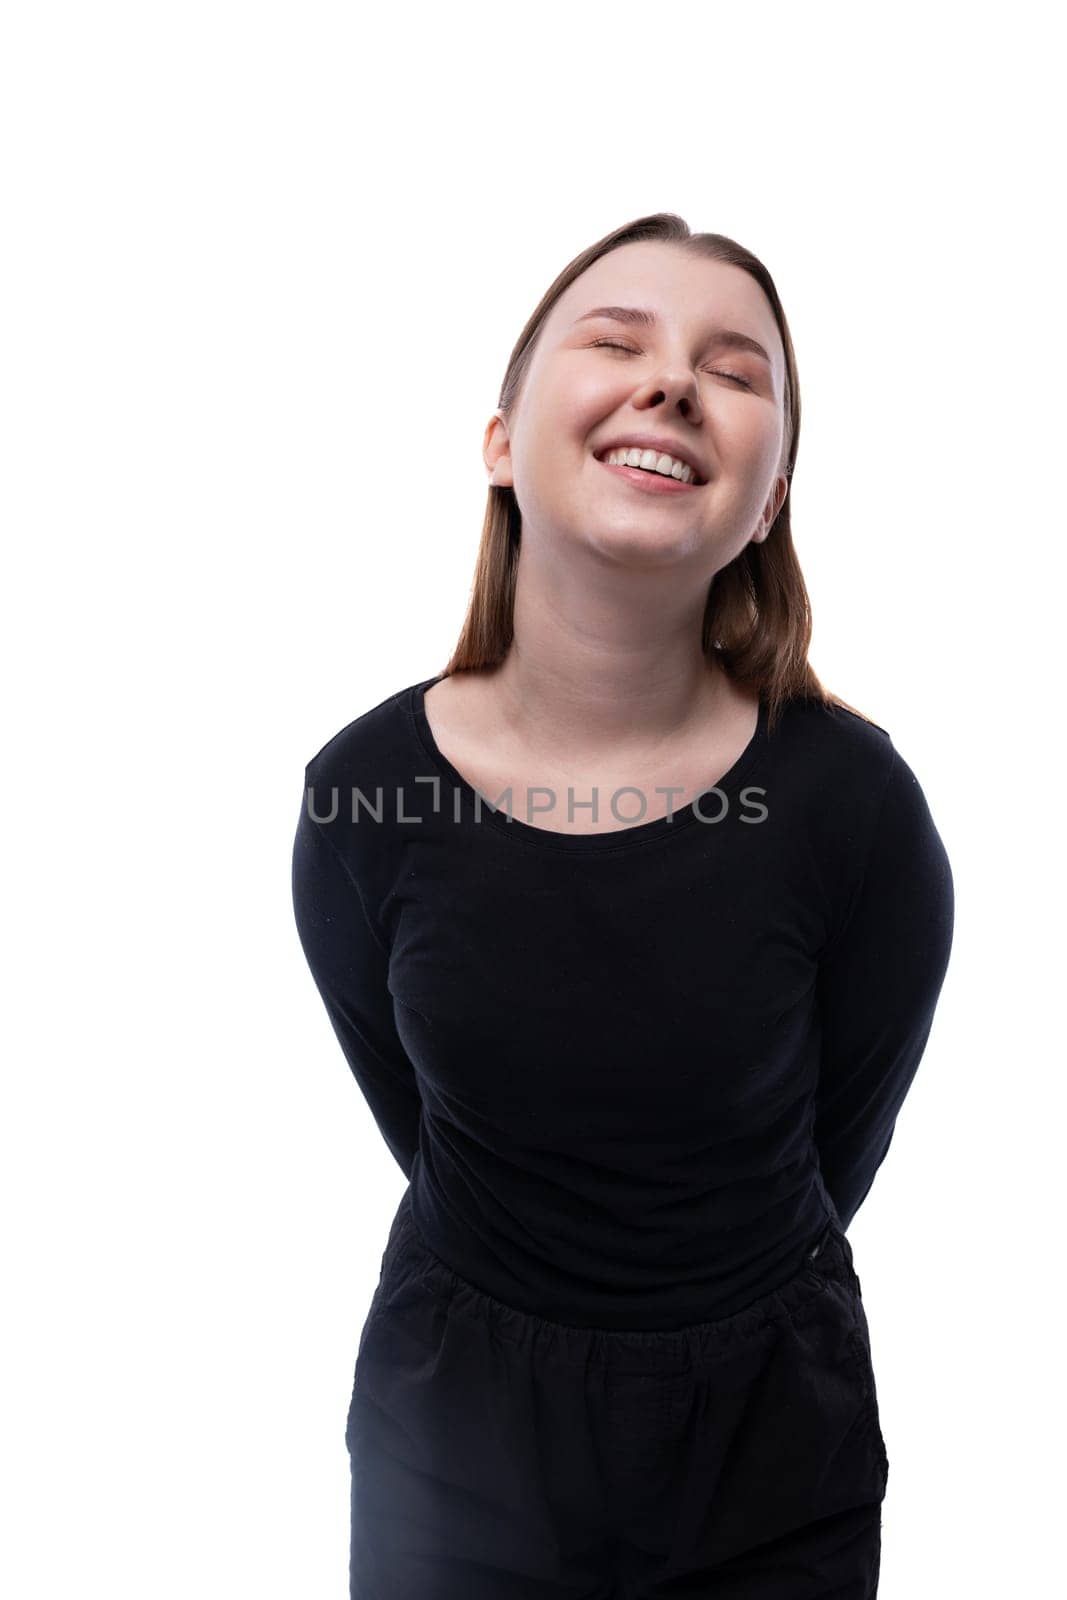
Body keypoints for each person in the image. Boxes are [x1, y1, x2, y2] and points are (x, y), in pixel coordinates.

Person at [291, 212, 955, 1599]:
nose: (671, 383)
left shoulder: (854, 807)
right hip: (453, 1425)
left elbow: (838, 1141)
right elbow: (432, 1125)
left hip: (774, 1437)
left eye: (735, 369)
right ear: (498, 443)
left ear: (767, 498)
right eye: (616, 341)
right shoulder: (363, 796)